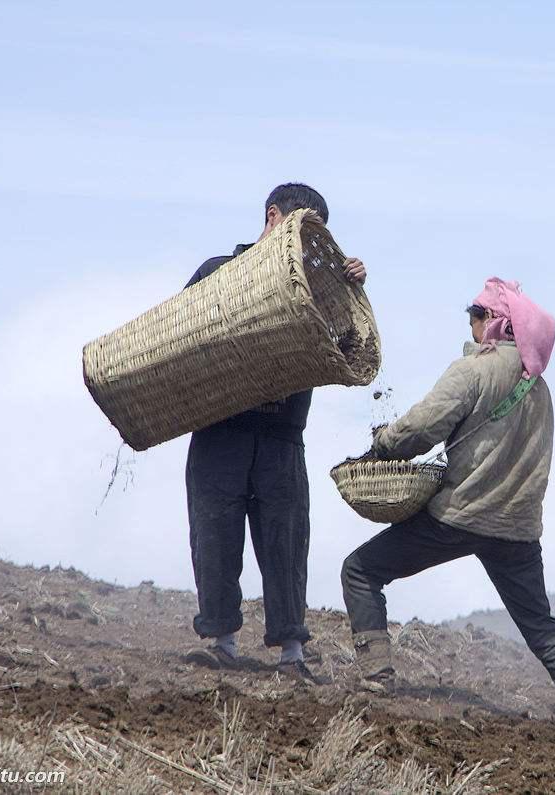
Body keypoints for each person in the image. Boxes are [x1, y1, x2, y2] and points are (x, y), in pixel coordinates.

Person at [341, 277, 555, 730]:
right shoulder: (538, 388)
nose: (469, 325)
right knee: (541, 627)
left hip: (458, 516)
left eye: (474, 315)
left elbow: (420, 429)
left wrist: (382, 445)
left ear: (494, 321)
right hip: (518, 528)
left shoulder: (473, 370)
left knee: (360, 571)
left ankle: (377, 680)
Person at [184, 183, 367, 679]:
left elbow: (350, 347)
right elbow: (178, 340)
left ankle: (292, 654)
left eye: (316, 237)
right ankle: (220, 641)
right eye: (300, 228)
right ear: (272, 216)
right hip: (220, 431)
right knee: (215, 535)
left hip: (282, 437)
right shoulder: (215, 272)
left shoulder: (318, 291)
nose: (305, 245)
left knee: (286, 544)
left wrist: (349, 288)